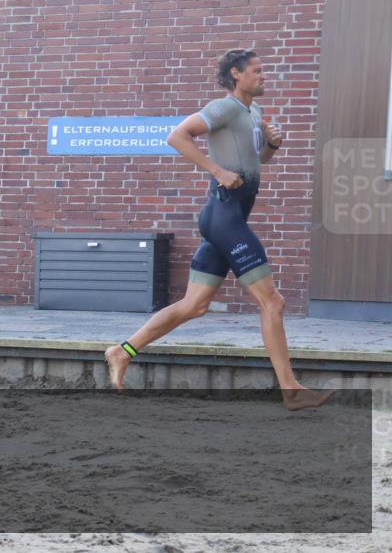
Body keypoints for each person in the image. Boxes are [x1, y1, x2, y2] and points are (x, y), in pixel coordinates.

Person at [104, 49, 333, 411]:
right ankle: (290, 389)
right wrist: (217, 170)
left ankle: (122, 351)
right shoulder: (224, 107)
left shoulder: (253, 112)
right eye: (257, 70)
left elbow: (257, 160)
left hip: (228, 218)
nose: (264, 76)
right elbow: (177, 136)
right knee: (272, 301)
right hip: (224, 217)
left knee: (194, 306)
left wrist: (272, 144)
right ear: (236, 74)